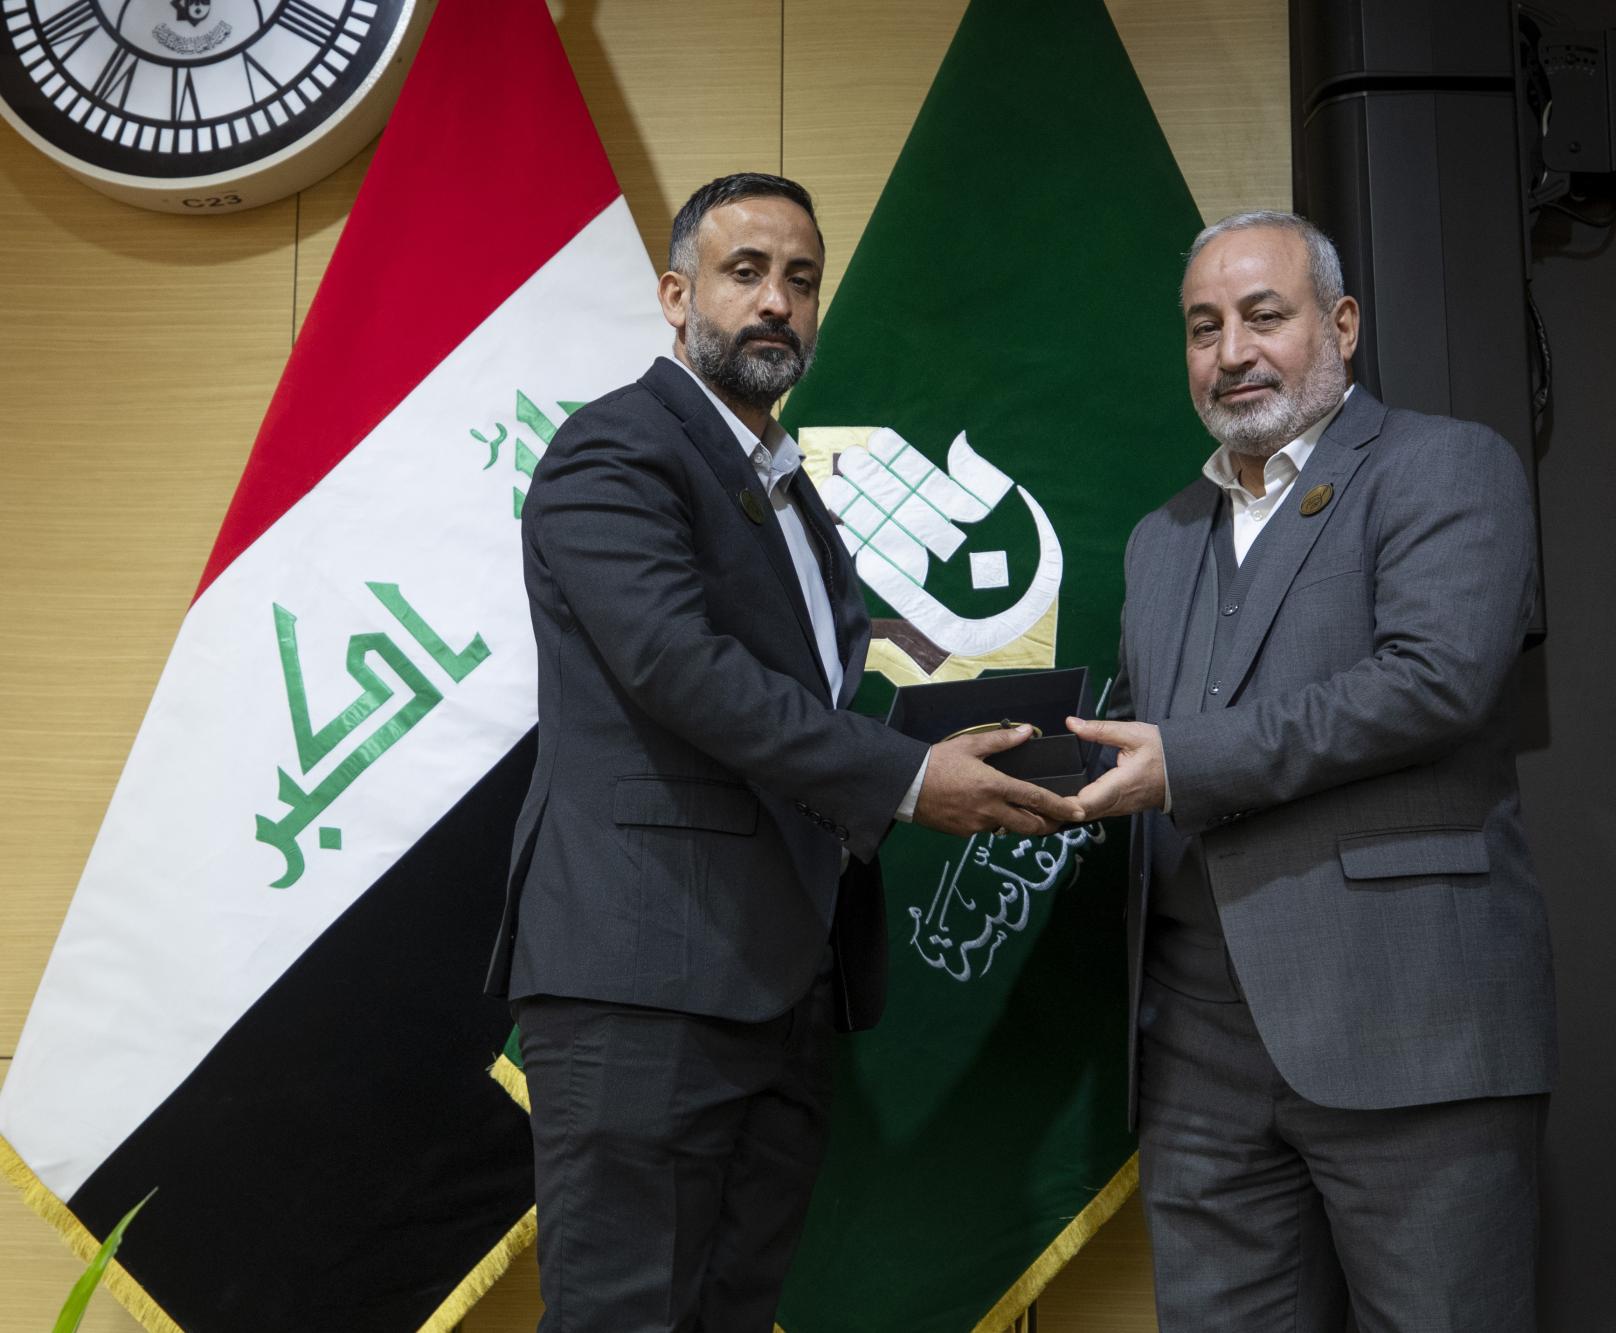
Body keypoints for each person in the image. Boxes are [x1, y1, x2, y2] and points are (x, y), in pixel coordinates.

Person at [483, 172, 1074, 1333]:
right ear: (676, 295)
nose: (775, 302)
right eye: (744, 272)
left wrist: (937, 746)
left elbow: (792, 704)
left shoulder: (791, 493)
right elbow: (677, 666)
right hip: (643, 978)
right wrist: (908, 778)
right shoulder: (616, 449)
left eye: (800, 280)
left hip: (781, 983)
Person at [1067, 210, 1557, 1331]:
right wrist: (1036, 769)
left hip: (1408, 1023)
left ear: (1340, 326)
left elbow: (1431, 682)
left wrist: (1176, 762)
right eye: (1203, 328)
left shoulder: (1446, 466)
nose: (1231, 351)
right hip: (1195, 1046)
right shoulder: (1160, 537)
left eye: (1262, 316)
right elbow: (1145, 731)